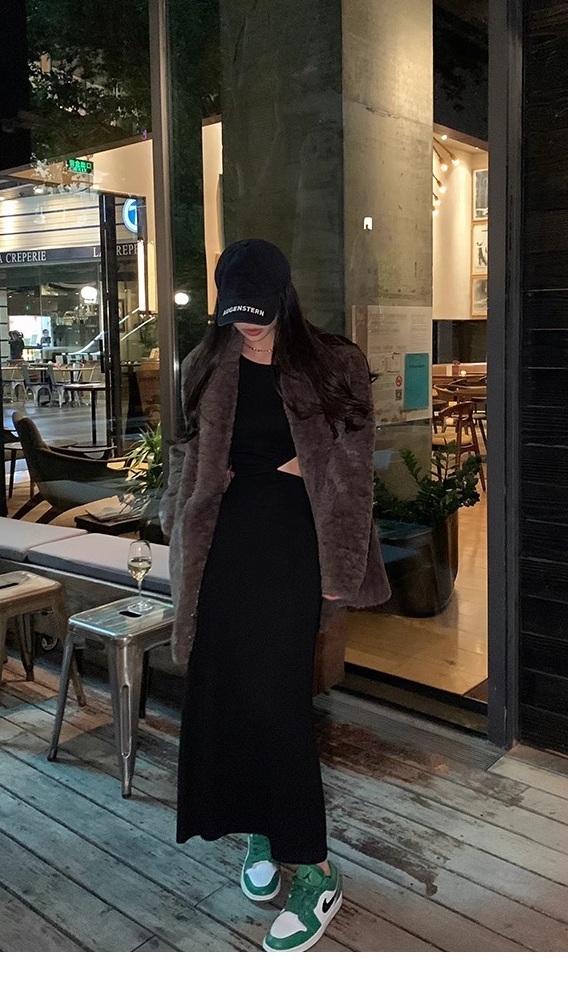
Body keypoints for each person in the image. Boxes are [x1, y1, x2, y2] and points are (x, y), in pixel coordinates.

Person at [159, 239, 390, 953]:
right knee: (227, 693)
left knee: (277, 702)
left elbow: (353, 471)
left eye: (259, 315)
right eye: (237, 315)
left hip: (294, 546)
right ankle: (262, 827)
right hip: (222, 549)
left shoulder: (333, 363)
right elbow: (183, 455)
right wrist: (177, 517)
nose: (249, 327)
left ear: (284, 300)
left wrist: (340, 566)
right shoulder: (206, 365)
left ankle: (315, 868)